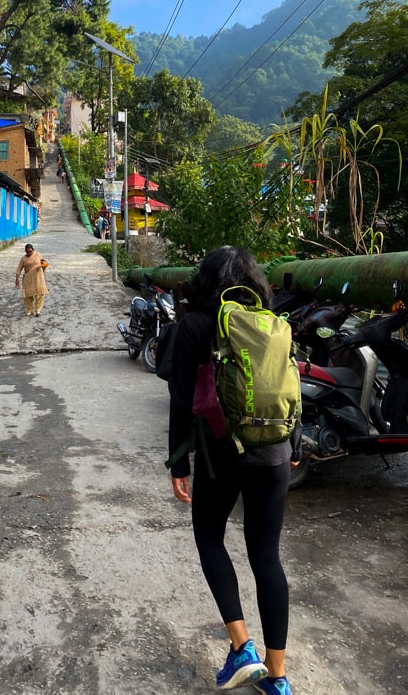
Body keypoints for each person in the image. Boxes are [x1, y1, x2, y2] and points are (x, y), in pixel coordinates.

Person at [168, 245, 300, 695]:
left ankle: (242, 647)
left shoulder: (196, 325)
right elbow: (290, 382)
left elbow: (181, 401)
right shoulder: (271, 322)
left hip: (221, 455)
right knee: (267, 557)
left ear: (204, 279)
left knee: (209, 536)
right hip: (276, 451)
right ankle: (278, 676)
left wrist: (177, 463)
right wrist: (293, 442)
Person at [15, 242, 48, 317]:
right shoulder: (23, 258)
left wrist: (44, 264)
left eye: (30, 251)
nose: (29, 253)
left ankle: (38, 310)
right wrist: (17, 279)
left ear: (33, 250)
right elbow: (19, 269)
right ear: (25, 251)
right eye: (27, 251)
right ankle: (29, 310)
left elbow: (43, 262)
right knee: (27, 294)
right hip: (28, 278)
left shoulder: (37, 254)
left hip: (38, 277)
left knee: (40, 293)